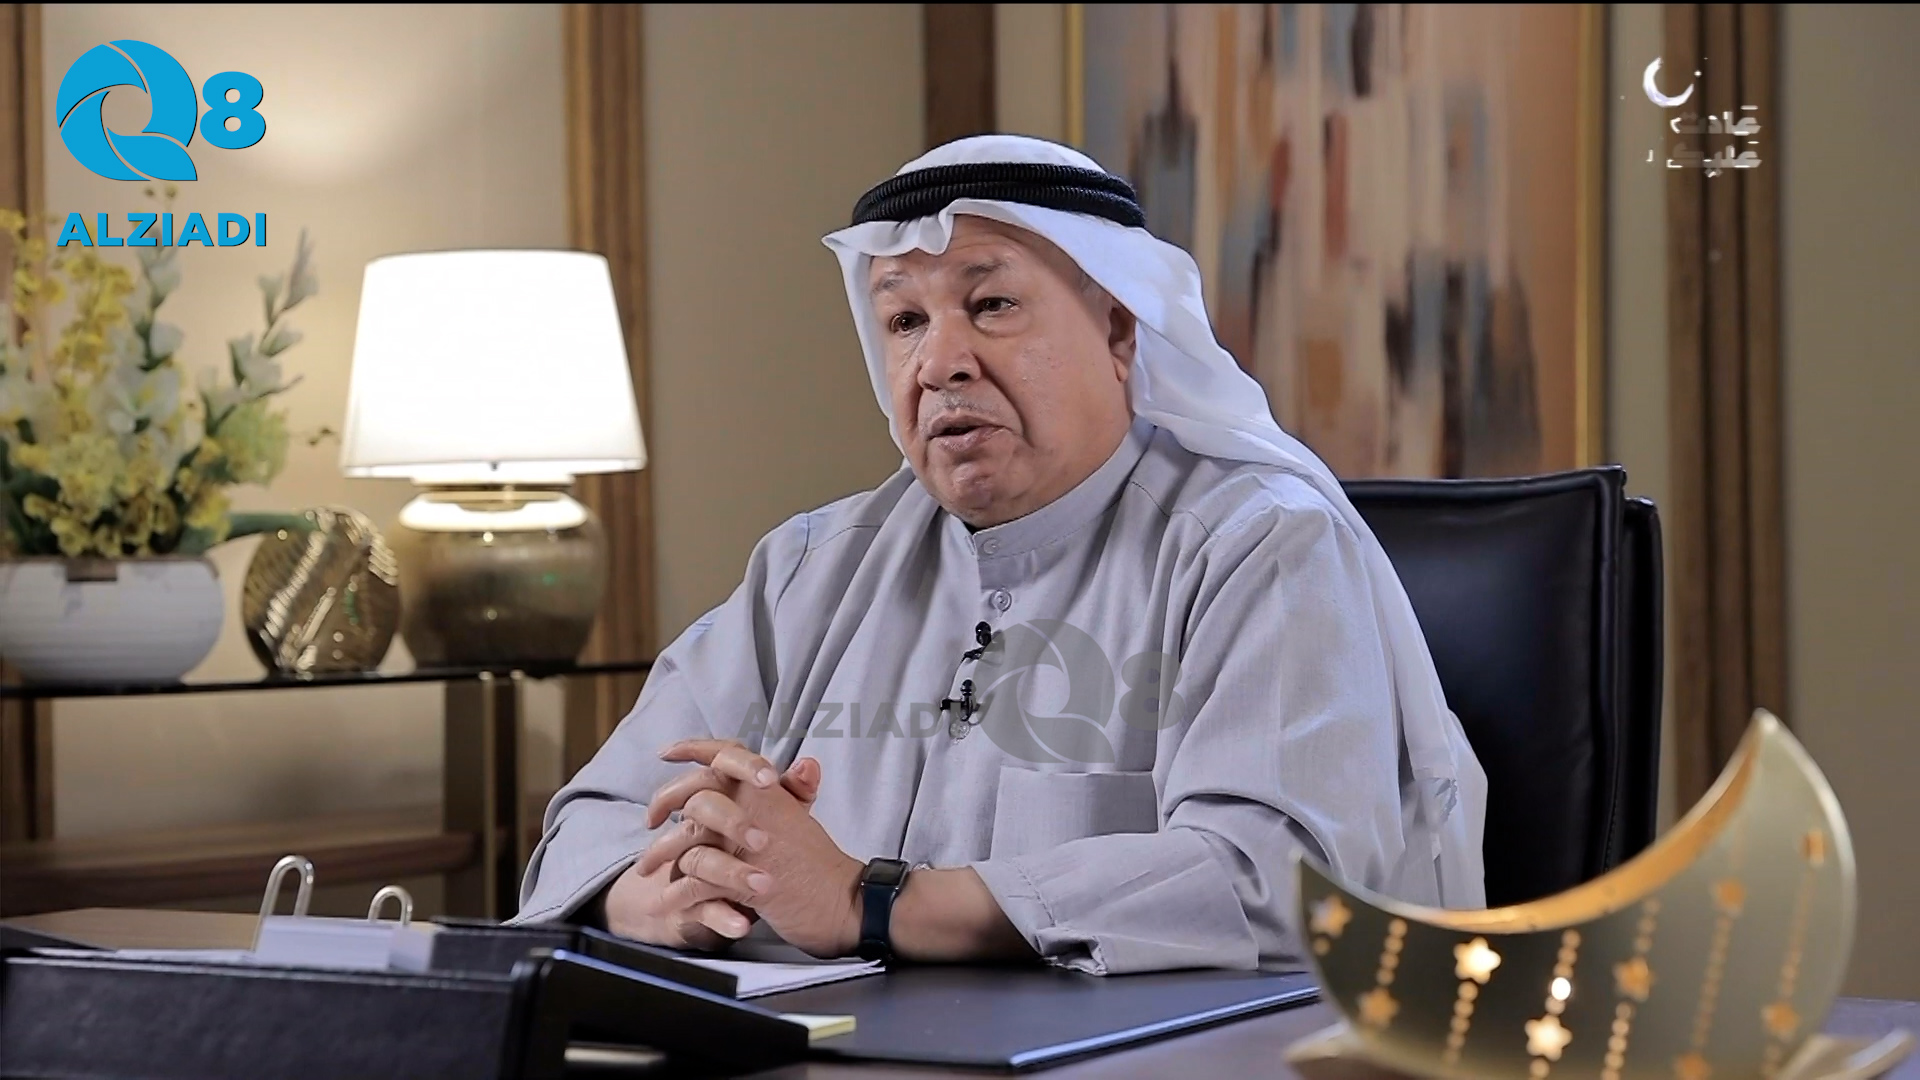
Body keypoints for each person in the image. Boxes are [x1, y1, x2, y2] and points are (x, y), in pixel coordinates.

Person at [513, 135, 1487, 975]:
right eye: (905, 321)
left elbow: (1274, 880)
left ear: (1118, 330)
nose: (940, 362)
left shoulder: (1260, 544)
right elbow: (592, 822)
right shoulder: (810, 568)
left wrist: (867, 901)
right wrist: (653, 897)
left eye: (990, 306)